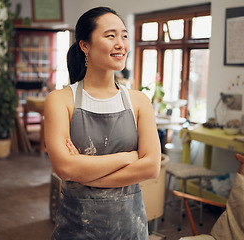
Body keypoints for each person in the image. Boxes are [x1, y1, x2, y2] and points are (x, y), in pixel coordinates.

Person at [44, 6, 161, 239]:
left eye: (124, 35)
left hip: (130, 228)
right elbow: (65, 168)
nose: (121, 43)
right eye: (110, 35)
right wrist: (128, 157)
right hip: (77, 229)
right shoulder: (60, 100)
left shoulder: (139, 101)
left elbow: (151, 167)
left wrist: (83, 170)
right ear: (84, 45)